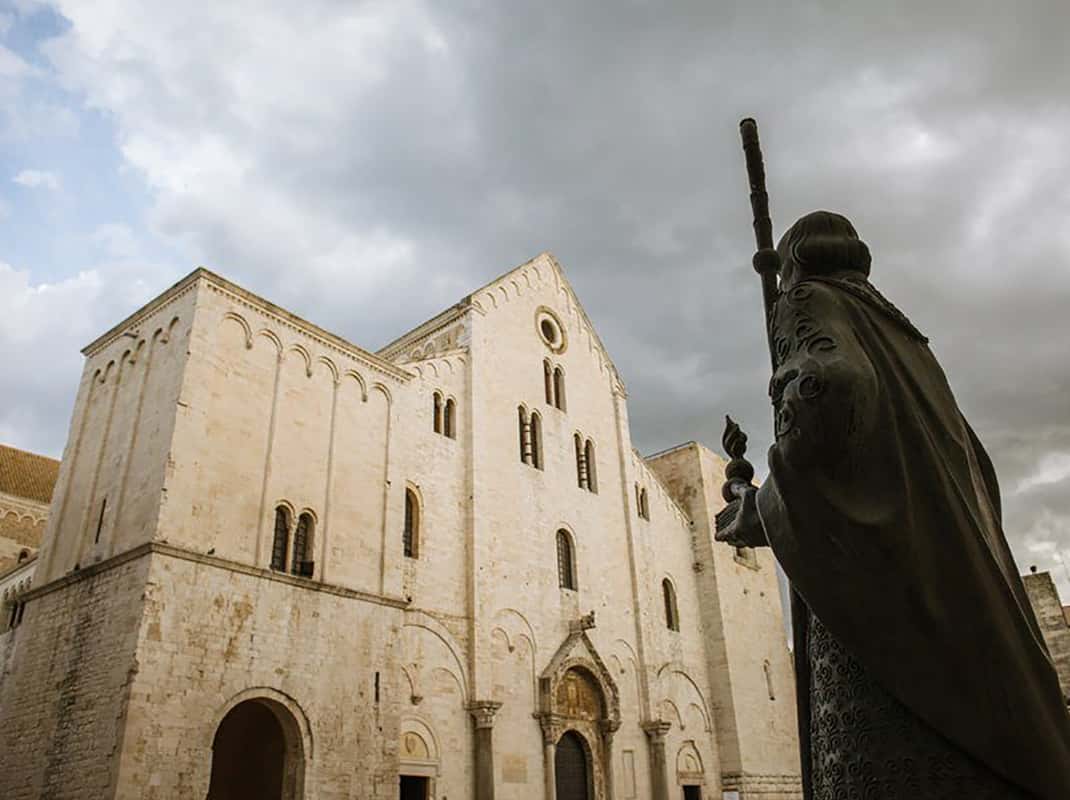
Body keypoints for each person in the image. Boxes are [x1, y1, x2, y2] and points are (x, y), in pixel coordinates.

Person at [716, 210, 1070, 799]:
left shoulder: (804, 298)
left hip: (875, 609)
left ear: (794, 265)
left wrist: (767, 503)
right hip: (949, 591)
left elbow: (829, 384)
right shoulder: (902, 336)